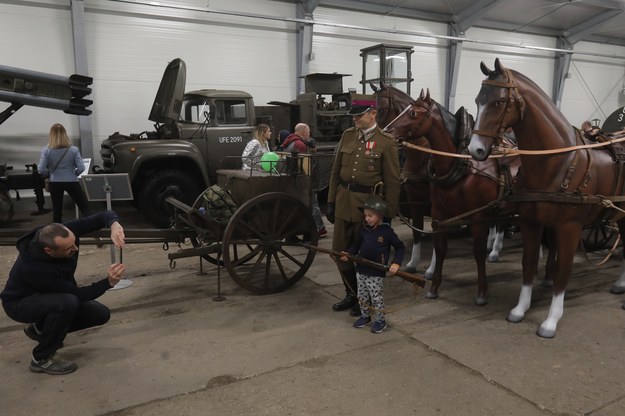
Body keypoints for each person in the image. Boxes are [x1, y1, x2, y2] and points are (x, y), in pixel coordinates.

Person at [0, 210, 126, 375]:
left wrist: (114, 225)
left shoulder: (64, 232)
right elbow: (78, 295)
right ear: (49, 251)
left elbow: (103, 215)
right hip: (19, 303)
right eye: (69, 249)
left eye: (74, 243)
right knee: (67, 303)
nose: (75, 248)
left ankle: (39, 329)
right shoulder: (35, 268)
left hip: (45, 296)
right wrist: (108, 282)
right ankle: (41, 358)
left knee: (100, 314)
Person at [326, 94, 401, 316]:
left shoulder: (385, 142)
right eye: (354, 115)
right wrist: (330, 201)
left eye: (359, 115)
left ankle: (362, 299)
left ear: (373, 113)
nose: (355, 119)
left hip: (368, 207)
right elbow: (335, 173)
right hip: (343, 202)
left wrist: (387, 213)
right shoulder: (348, 136)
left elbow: (393, 181)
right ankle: (351, 293)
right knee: (338, 250)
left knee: (364, 254)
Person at [340, 196, 405, 333]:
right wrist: (348, 254)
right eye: (365, 216)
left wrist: (396, 263)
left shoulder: (386, 232)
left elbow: (400, 247)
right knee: (362, 295)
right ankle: (365, 316)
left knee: (376, 296)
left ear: (380, 215)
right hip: (361, 269)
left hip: (376, 271)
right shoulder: (363, 230)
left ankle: (380, 320)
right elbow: (355, 246)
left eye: (370, 216)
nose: (367, 219)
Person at [38, 123, 92, 223]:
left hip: (55, 182)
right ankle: (95, 229)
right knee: (85, 208)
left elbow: (41, 169)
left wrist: (50, 174)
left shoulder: (46, 150)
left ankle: (58, 234)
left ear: (51, 135)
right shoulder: (73, 150)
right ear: (65, 134)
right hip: (72, 181)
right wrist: (73, 174)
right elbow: (81, 167)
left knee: (57, 210)